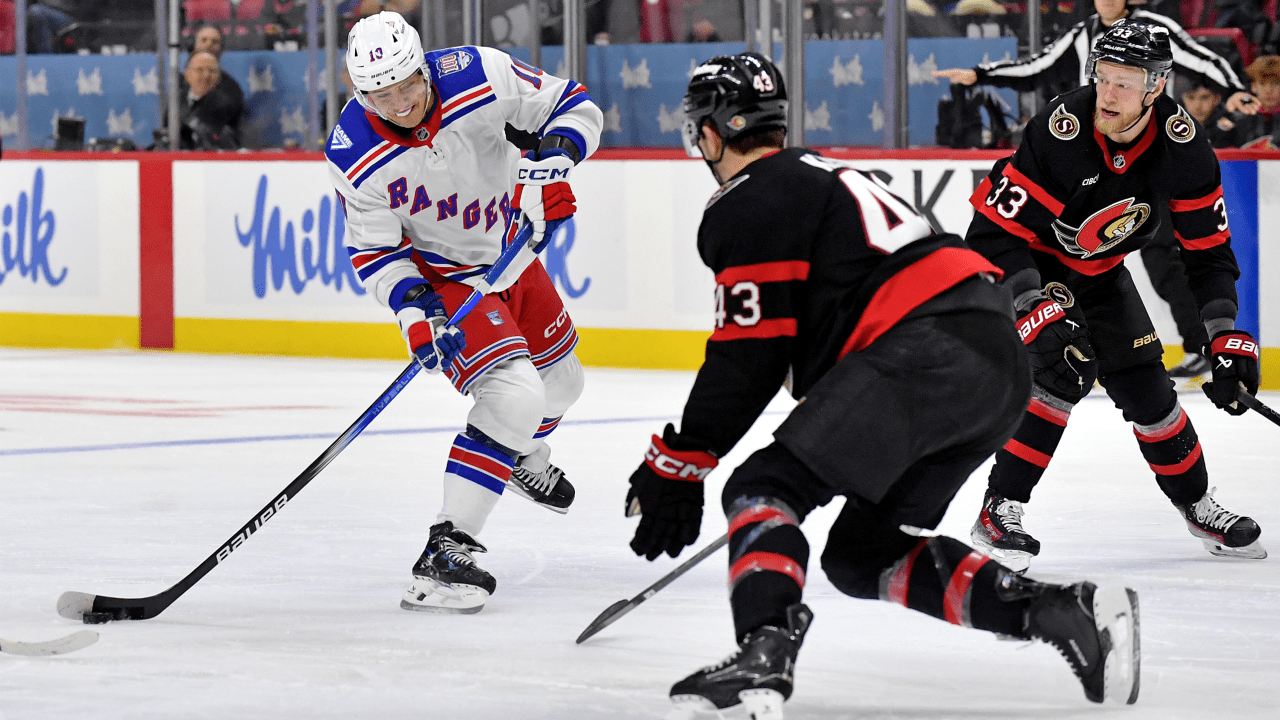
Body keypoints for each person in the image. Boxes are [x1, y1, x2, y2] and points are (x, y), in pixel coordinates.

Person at [625, 51, 1141, 719]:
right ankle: (1060, 612)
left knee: (762, 487)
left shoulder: (750, 199)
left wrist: (682, 460)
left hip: (926, 353)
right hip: (995, 362)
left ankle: (764, 650)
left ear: (712, 132)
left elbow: (747, 354)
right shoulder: (826, 176)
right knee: (862, 554)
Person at [324, 12, 603, 614]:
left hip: (509, 254)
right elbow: (374, 248)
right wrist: (413, 310)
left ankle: (521, 454)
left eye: (407, 85)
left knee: (564, 383)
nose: (399, 103)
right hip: (444, 279)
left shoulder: (480, 73)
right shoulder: (353, 151)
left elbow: (572, 103)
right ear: (358, 89)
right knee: (514, 397)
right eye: (380, 94)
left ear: (425, 67)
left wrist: (558, 151)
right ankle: (445, 553)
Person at [963, 20, 1266, 572]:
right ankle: (999, 509)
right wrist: (1032, 304)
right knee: (1063, 368)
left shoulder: (1184, 149)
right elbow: (990, 235)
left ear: (1157, 86)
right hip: (1032, 265)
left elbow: (1208, 256)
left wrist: (1223, 334)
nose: (1108, 91)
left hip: (1099, 273)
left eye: (1126, 80)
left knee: (1150, 390)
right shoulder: (1061, 130)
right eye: (1102, 76)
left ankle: (1198, 505)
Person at [932, 0, 1258, 115]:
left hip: (1144, 132)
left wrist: (1234, 90)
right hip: (1096, 134)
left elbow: (1201, 60)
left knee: (1156, 238)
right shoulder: (1080, 34)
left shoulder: (1154, 27)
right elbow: (1035, 68)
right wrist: (980, 73)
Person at [178, 50, 242, 149]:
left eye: (212, 71)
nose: (206, 76)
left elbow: (207, 133)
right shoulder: (177, 100)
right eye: (199, 70)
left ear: (218, 77)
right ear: (187, 75)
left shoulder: (224, 103)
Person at [1212, 55, 1280, 148]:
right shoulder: (1238, 116)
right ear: (1253, 87)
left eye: (1276, 83)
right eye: (1262, 83)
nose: (1268, 90)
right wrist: (1223, 127)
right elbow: (1219, 148)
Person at [185, 25, 245, 128]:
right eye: (203, 40)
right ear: (194, 46)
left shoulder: (231, 88)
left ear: (222, 50)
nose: (208, 45)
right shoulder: (181, 84)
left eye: (214, 42)